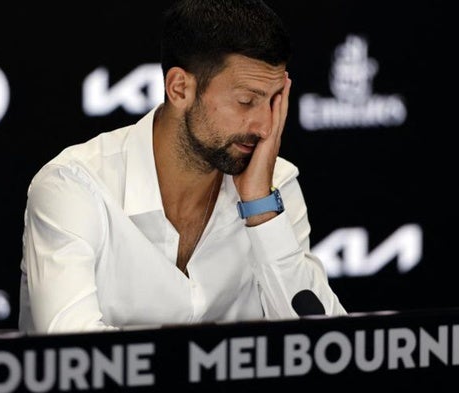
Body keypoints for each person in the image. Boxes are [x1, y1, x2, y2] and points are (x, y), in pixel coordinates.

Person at [18, 0, 347, 334]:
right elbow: (70, 356)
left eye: (275, 101)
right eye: (246, 101)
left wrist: (261, 209)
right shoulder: (73, 187)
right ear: (180, 89)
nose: (265, 127)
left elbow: (324, 346)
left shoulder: (274, 187)